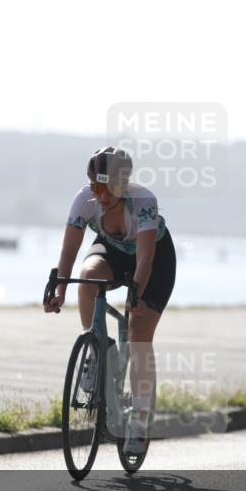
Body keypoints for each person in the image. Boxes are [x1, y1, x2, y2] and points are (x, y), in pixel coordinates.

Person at [43, 146, 177, 453]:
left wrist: (136, 296)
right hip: (113, 252)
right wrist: (60, 290)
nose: (101, 195)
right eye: (96, 187)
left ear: (124, 184)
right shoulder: (84, 201)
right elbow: (69, 252)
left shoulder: (143, 202)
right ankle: (97, 349)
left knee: (139, 333)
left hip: (154, 259)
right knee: (87, 279)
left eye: (109, 188)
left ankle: (139, 424)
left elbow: (145, 260)